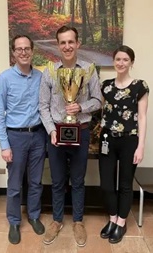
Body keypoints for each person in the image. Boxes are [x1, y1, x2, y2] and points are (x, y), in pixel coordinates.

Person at [39, 25, 101, 247]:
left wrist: (81, 107)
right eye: (62, 42)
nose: (67, 46)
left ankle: (77, 221)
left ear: (77, 44)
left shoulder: (89, 70)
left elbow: (98, 101)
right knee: (57, 181)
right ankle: (56, 220)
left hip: (81, 132)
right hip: (56, 133)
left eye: (70, 42)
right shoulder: (49, 71)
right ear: (58, 45)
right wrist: (51, 131)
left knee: (77, 181)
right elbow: (43, 106)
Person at [0, 35, 46, 244]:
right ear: (13, 53)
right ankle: (14, 221)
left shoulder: (41, 77)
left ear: (32, 51)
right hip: (15, 136)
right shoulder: (4, 79)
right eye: (19, 49)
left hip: (38, 135)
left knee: (36, 181)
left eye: (27, 48)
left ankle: (33, 216)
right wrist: (4, 145)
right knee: (15, 184)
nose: (23, 52)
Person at [99, 45, 149, 243]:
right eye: (118, 59)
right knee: (106, 184)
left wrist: (141, 146)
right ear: (113, 61)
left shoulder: (140, 86)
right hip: (107, 140)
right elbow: (103, 111)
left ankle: (121, 222)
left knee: (125, 184)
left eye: (125, 60)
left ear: (131, 63)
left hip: (130, 140)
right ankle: (112, 219)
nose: (121, 63)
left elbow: (143, 117)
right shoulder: (106, 85)